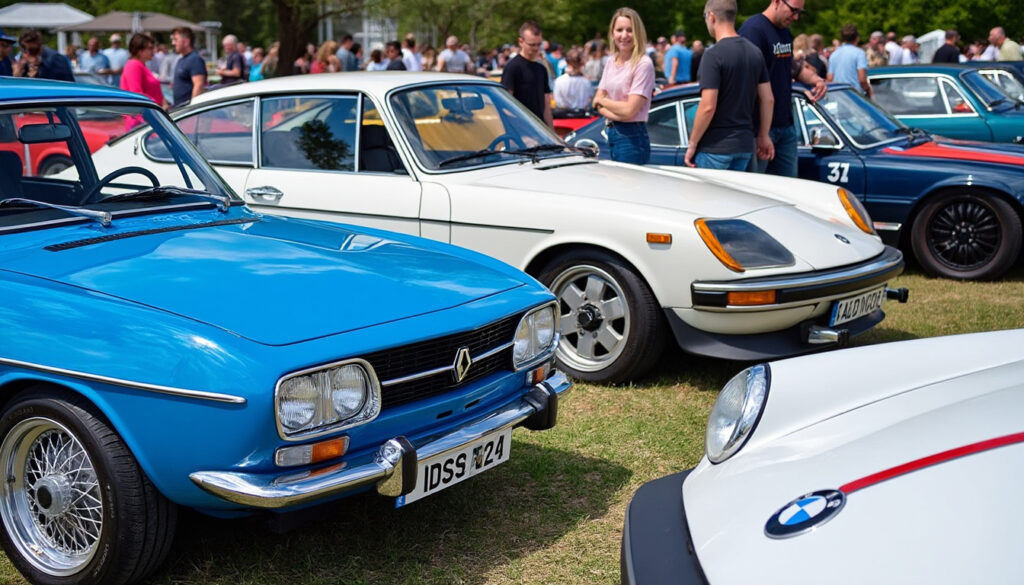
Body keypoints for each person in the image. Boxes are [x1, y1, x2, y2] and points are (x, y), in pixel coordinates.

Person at [739, 0, 826, 177]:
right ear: (777, 2)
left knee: (789, 187)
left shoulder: (785, 31)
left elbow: (790, 66)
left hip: (785, 124)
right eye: (793, 11)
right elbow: (748, 80)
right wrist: (762, 133)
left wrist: (816, 80)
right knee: (758, 187)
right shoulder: (753, 30)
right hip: (760, 127)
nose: (796, 17)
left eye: (799, 13)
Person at [685, 0, 773, 171]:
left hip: (715, 146)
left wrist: (693, 143)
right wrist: (764, 134)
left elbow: (708, 106)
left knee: (708, 190)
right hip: (744, 145)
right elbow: (768, 99)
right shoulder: (755, 52)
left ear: (711, 17)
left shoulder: (713, 55)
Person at [593, 7, 656, 165]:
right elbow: (595, 102)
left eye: (630, 30)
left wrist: (604, 102)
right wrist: (618, 112)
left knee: (628, 181)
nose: (624, 35)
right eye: (619, 30)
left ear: (638, 33)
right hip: (612, 132)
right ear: (612, 33)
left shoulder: (643, 64)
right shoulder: (610, 61)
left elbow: (629, 110)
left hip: (632, 137)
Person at [501, 21, 554, 126]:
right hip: (521, 128)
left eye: (539, 44)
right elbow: (506, 105)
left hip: (539, 129)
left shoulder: (541, 69)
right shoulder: (513, 67)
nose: (536, 48)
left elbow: (546, 106)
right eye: (532, 45)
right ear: (521, 42)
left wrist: (551, 132)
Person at [120, 33, 166, 107]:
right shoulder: (133, 65)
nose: (153, 51)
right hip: (142, 113)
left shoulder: (141, 65)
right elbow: (137, 94)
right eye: (150, 48)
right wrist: (157, 104)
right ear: (139, 50)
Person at [826, 23, 871, 97]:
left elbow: (830, 79)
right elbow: (862, 79)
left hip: (839, 96)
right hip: (855, 95)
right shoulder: (859, 53)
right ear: (857, 38)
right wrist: (868, 90)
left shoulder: (834, 54)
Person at [171, 26, 206, 107]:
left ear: (186, 42)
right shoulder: (181, 59)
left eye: (176, 40)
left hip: (188, 111)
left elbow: (198, 86)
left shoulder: (195, 59)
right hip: (179, 109)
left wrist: (191, 109)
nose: (173, 43)